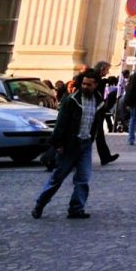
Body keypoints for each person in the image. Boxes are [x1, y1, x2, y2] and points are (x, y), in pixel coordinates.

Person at [33, 67, 100, 219]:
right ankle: (40, 204)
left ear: (96, 85)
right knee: (57, 178)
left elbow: (95, 122)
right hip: (69, 145)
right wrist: (58, 144)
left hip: (85, 144)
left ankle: (76, 208)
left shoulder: (98, 101)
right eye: (84, 84)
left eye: (89, 85)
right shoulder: (72, 100)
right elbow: (60, 124)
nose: (85, 87)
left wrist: (92, 138)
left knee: (83, 179)